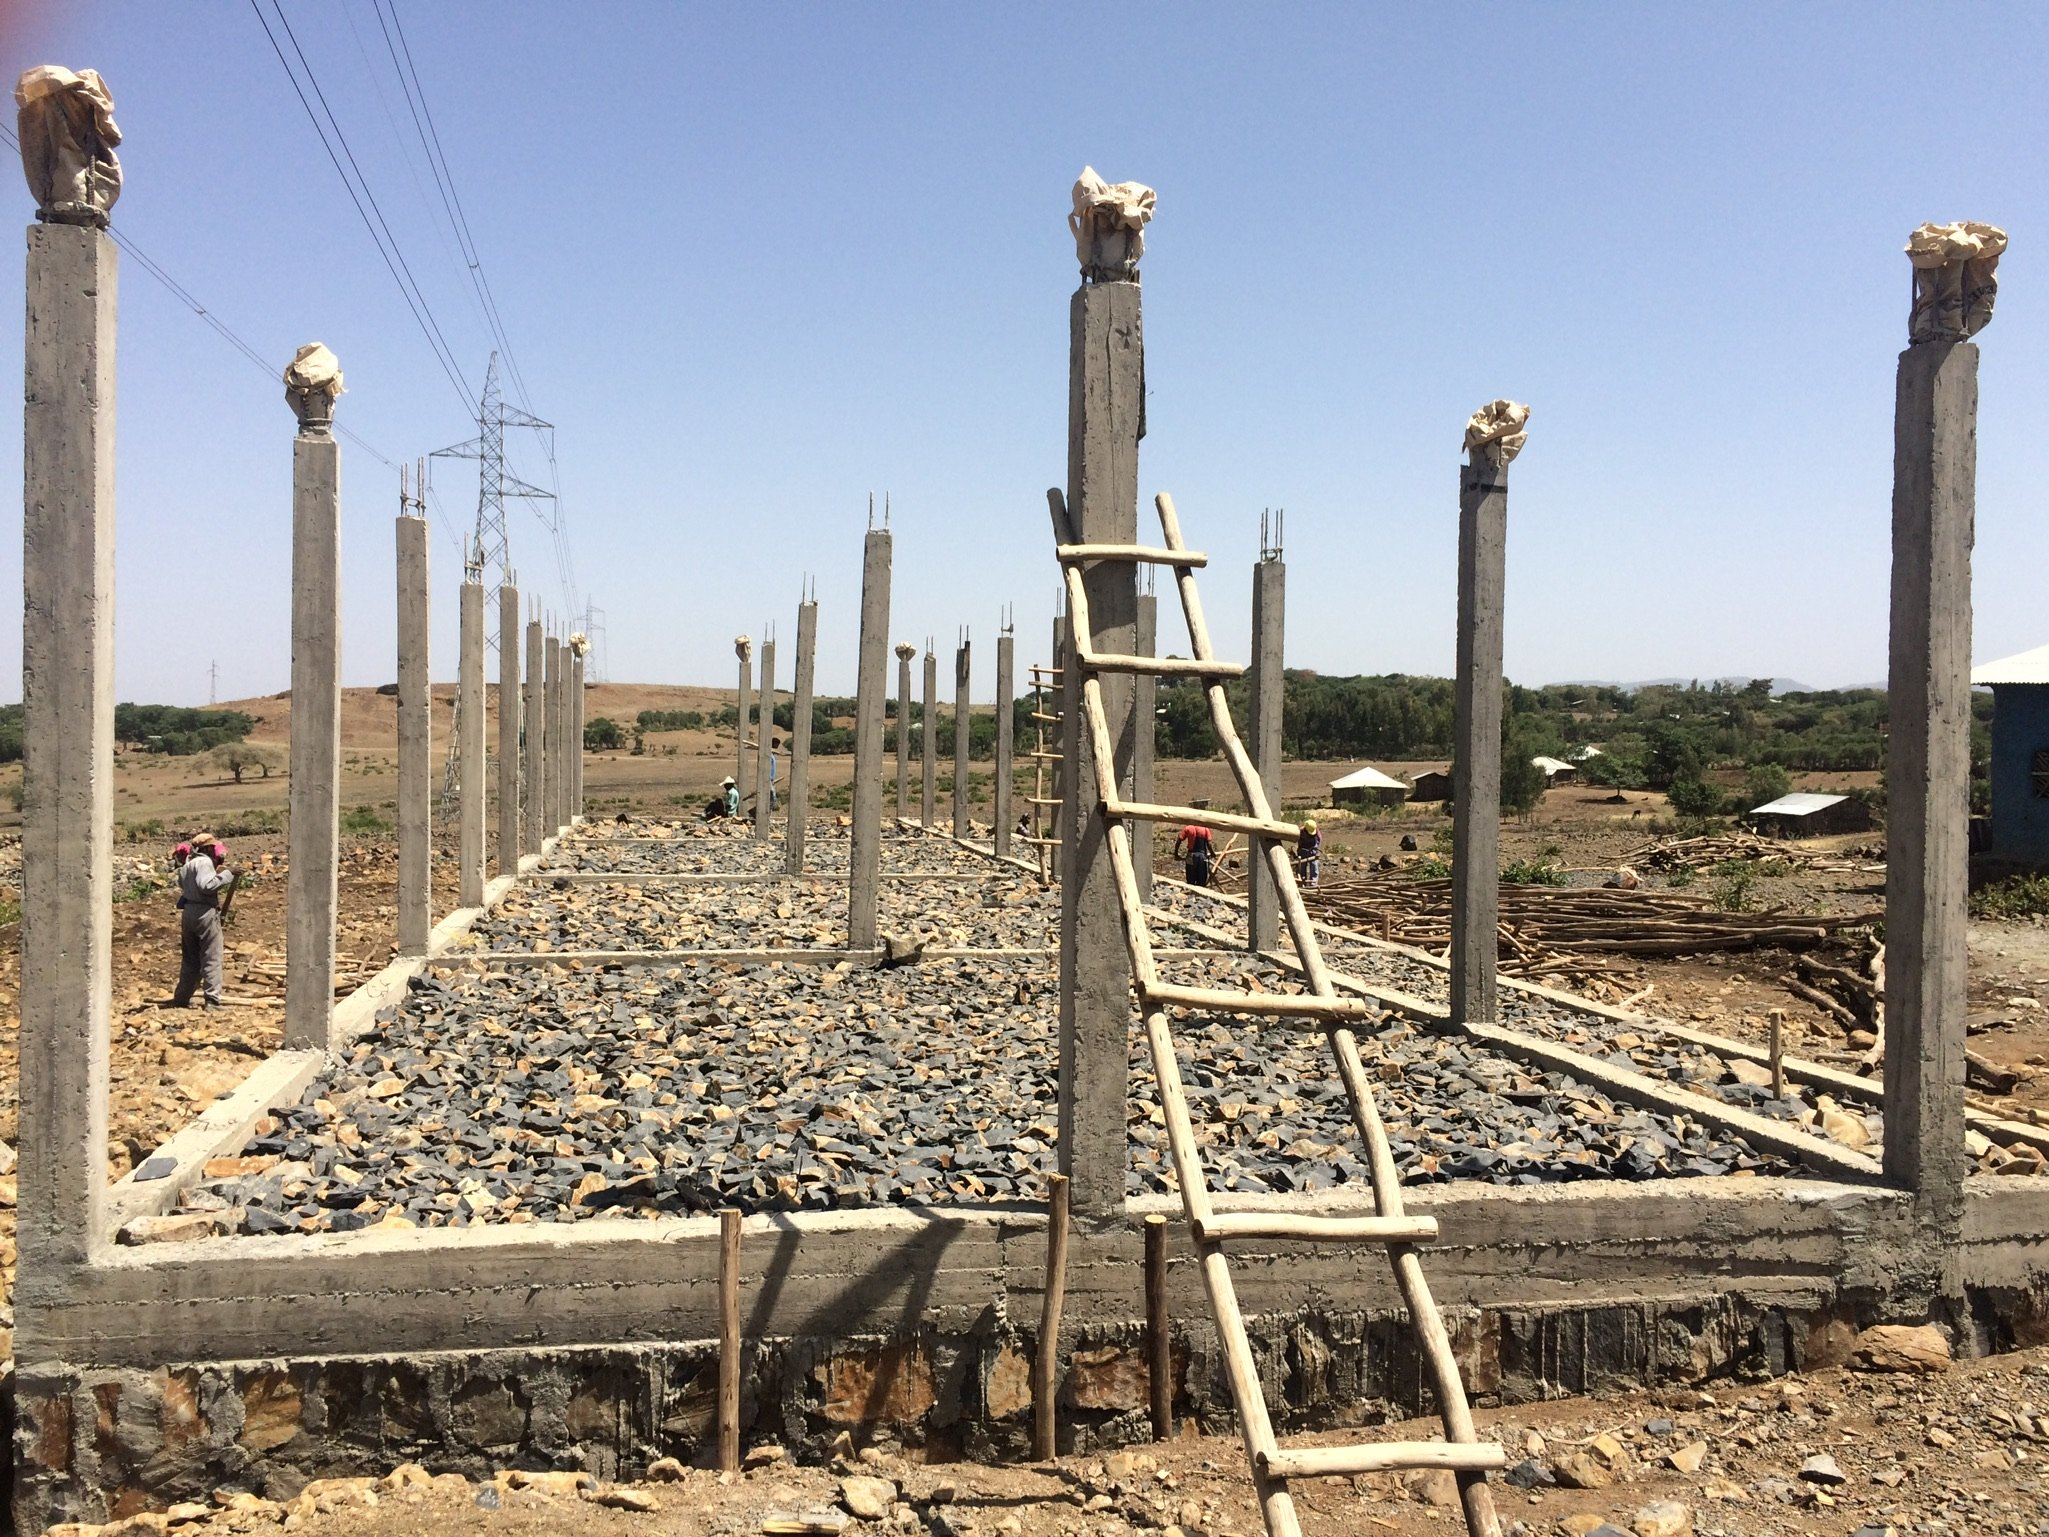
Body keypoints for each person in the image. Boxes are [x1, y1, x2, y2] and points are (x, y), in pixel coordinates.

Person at [172, 835, 235, 1008]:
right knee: (211, 955)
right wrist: (228, 875)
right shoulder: (204, 863)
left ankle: (182, 997)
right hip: (204, 913)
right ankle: (212, 1000)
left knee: (190, 958)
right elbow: (207, 886)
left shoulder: (186, 866)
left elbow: (185, 887)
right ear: (207, 849)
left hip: (189, 913)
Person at [1172, 823, 1216, 887]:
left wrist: (1176, 854)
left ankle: (1191, 894)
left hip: (1190, 855)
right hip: (1202, 856)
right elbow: (1209, 844)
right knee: (1201, 879)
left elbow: (1179, 840)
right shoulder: (1205, 829)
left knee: (1190, 879)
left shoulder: (1188, 828)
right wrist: (1212, 853)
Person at [1296, 819, 1322, 888]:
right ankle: (1302, 883)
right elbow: (1298, 841)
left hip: (1313, 852)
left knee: (1314, 868)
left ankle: (1313, 885)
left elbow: (1319, 839)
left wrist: (1315, 849)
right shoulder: (1301, 832)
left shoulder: (1316, 831)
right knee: (1302, 868)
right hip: (1303, 851)